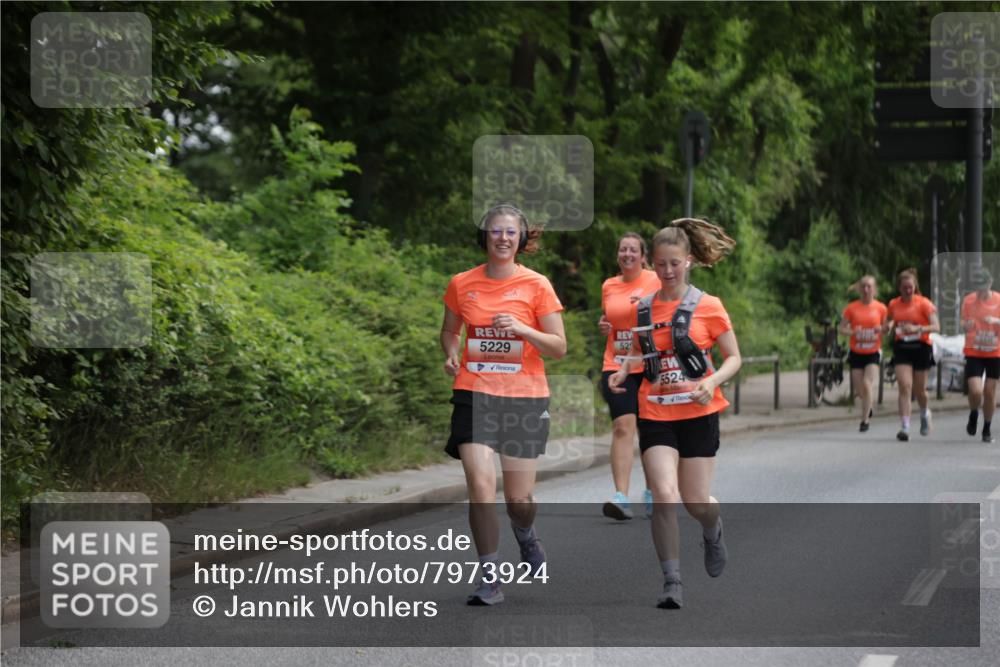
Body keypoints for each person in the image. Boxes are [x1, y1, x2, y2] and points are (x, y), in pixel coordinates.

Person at [608, 218, 741, 609]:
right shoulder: (643, 308)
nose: (668, 271)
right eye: (662, 264)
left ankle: (712, 528)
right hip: (656, 412)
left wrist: (711, 381)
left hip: (699, 413)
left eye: (675, 263)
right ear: (652, 263)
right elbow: (641, 353)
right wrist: (623, 369)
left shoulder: (709, 306)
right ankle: (672, 581)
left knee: (695, 502)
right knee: (665, 495)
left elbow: (734, 357)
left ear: (688, 262)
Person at [440, 204, 566, 606]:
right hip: (474, 393)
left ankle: (526, 535)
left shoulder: (537, 285)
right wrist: (451, 352)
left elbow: (559, 347)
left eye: (511, 232)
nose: (503, 238)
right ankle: (490, 577)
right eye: (496, 231)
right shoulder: (462, 283)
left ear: (521, 239)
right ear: (485, 236)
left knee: (519, 501)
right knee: (480, 487)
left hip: (523, 398)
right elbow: (449, 331)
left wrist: (524, 329)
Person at [598, 233, 661, 520]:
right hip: (616, 364)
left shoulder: (655, 280)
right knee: (622, 427)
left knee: (649, 430)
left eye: (633, 250)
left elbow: (669, 310)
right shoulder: (609, 285)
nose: (627, 254)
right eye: (623, 249)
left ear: (643, 256)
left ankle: (652, 491)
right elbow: (610, 319)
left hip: (648, 365)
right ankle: (621, 497)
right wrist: (604, 325)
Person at [885, 268, 940, 441]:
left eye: (910, 287)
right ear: (899, 288)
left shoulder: (924, 303)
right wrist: (888, 327)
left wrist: (918, 328)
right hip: (902, 347)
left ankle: (924, 413)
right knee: (904, 386)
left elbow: (936, 327)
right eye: (904, 288)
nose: (908, 291)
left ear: (915, 286)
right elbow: (889, 320)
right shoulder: (894, 304)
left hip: (921, 347)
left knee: (919, 390)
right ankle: (905, 426)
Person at [839, 275, 888, 432]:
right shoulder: (851, 308)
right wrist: (853, 332)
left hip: (873, 351)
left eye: (869, 286)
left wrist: (882, 329)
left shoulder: (881, 308)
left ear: (874, 289)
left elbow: (887, 328)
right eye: (863, 286)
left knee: (867, 383)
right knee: (860, 389)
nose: (866, 289)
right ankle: (869, 405)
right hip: (856, 351)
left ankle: (864, 420)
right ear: (859, 289)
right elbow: (841, 328)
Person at [961, 267, 1000, 443]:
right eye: (978, 286)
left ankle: (987, 428)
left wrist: (996, 321)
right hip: (974, 350)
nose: (981, 290)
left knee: (990, 392)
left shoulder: (998, 300)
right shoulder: (969, 300)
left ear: (990, 283)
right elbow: (963, 321)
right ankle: (974, 413)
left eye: (983, 286)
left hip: (995, 351)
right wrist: (966, 325)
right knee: (976, 390)